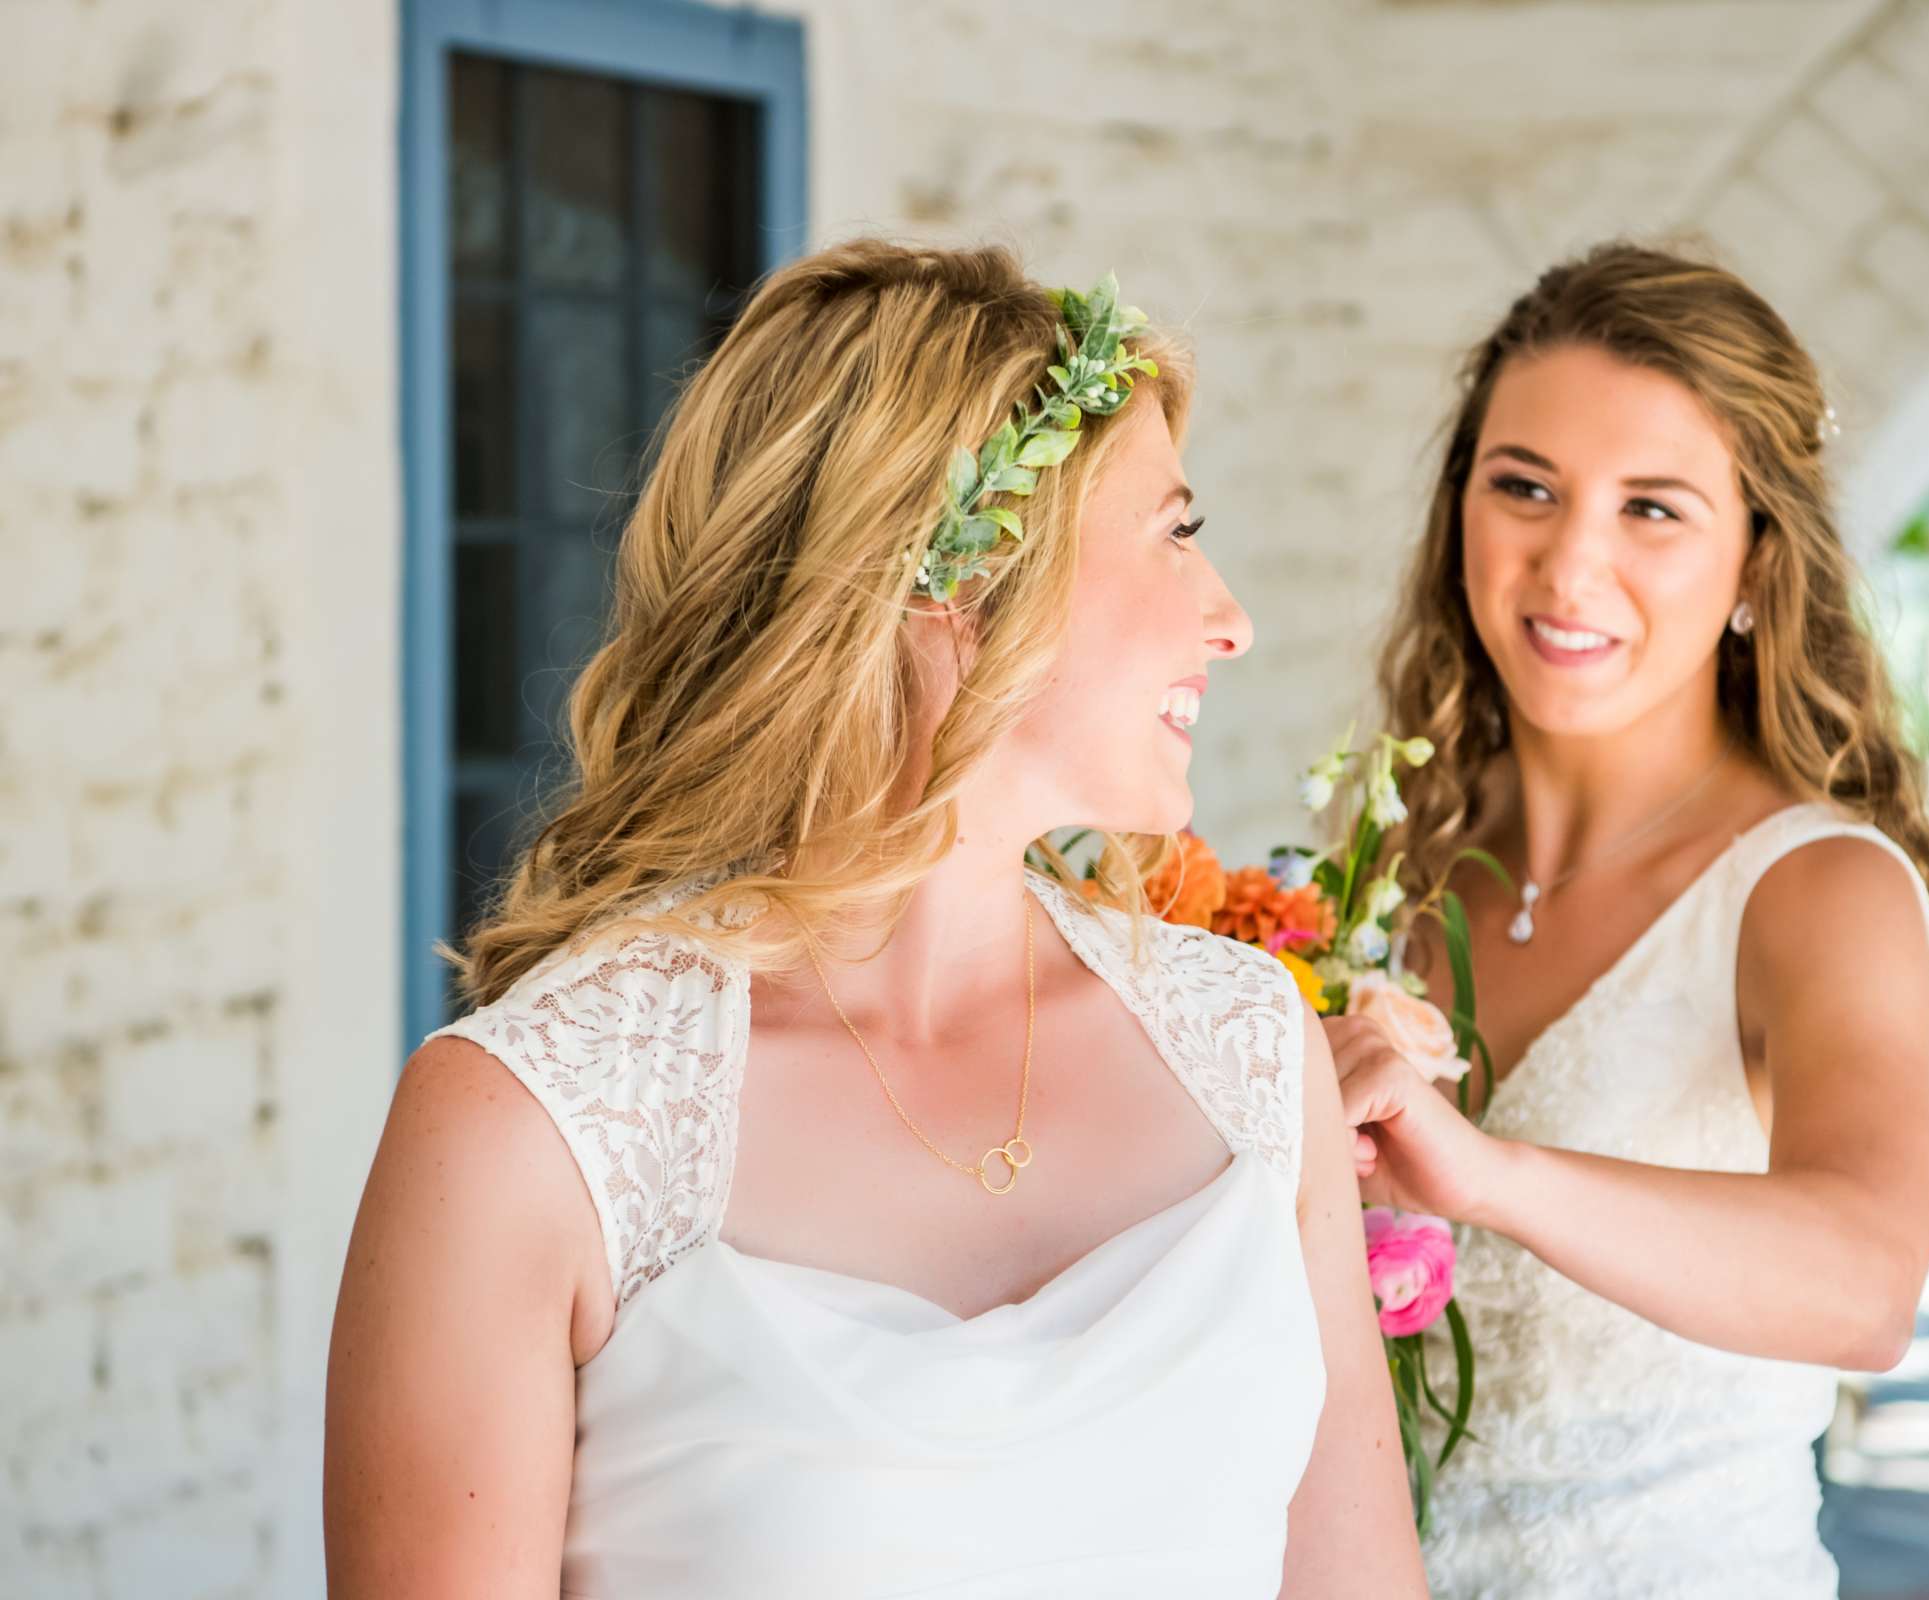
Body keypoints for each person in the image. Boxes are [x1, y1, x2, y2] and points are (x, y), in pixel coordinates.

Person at [326, 240, 1425, 1598]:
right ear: (949, 580)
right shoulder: (530, 1127)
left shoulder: (1252, 1047)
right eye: (1176, 533)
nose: (1231, 619)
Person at [1331, 241, 1929, 1597]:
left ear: (1761, 564)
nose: (1568, 566)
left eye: (1654, 510)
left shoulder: (1818, 891)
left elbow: (1866, 1286)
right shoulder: (1390, 872)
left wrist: (1490, 1178)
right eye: (1523, 486)